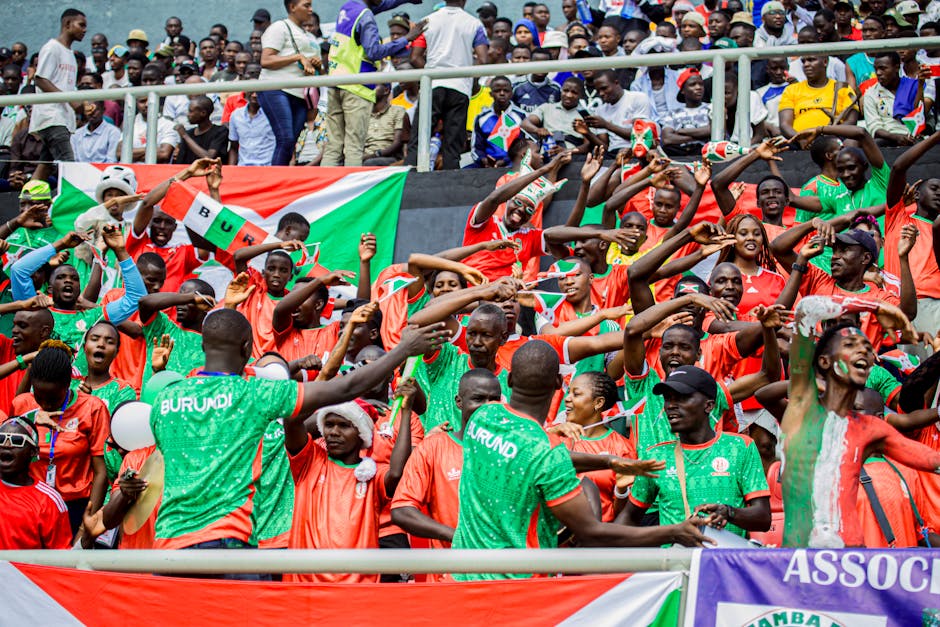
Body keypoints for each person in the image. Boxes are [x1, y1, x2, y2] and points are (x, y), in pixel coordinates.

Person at [149, 308, 446, 561]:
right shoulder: (254, 394)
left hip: (168, 544)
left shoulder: (165, 400)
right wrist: (403, 350)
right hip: (229, 542)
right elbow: (344, 388)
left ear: (203, 347)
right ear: (246, 348)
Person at [450, 341, 712, 580]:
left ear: (508, 379)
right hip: (515, 587)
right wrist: (673, 532)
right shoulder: (547, 453)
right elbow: (591, 531)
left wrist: (608, 462)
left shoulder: (483, 416)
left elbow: (529, 455)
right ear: (558, 383)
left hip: (461, 575)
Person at [782, 296, 940, 548]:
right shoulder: (803, 404)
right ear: (824, 361)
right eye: (850, 344)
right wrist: (876, 307)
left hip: (852, 556)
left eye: (867, 346)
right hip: (803, 559)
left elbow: (932, 461)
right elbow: (806, 309)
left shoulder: (871, 428)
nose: (864, 350)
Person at [624, 365, 772, 538]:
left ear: (708, 405)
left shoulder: (739, 447)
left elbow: (763, 518)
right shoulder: (656, 457)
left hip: (724, 560)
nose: (671, 405)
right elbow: (629, 517)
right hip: (675, 561)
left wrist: (729, 513)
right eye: (668, 398)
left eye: (681, 398)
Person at [391, 368, 503, 559]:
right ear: (459, 402)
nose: (487, 406)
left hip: (503, 574)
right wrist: (457, 537)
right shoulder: (434, 447)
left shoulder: (513, 448)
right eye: (478, 399)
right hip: (451, 574)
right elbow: (402, 510)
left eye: (494, 399)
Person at [9, 342, 110, 536]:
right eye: (39, 396)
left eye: (53, 397)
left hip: (74, 506)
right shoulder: (23, 405)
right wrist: (31, 416)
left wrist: (85, 528)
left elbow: (101, 473)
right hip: (27, 504)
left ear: (67, 383)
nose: (45, 403)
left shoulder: (92, 408)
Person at [321, 1, 423, 166]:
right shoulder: (366, 16)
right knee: (354, 147)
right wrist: (407, 39)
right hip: (357, 87)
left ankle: (327, 190)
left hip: (336, 83)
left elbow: (379, 6)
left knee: (334, 147)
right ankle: (351, 190)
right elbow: (374, 52)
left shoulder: (348, 8)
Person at [406, 0, 489, 170]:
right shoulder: (474, 23)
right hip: (459, 87)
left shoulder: (428, 20)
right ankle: (451, 186)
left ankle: (407, 180)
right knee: (453, 146)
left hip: (432, 85)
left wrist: (432, 73)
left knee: (419, 139)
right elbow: (483, 59)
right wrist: (467, 78)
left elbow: (414, 57)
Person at [258, 0, 323, 166]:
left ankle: (278, 180)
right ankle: (274, 183)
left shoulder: (309, 36)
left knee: (291, 142)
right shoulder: (280, 27)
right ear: (292, 7)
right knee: (285, 139)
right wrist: (298, 57)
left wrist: (317, 64)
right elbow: (266, 60)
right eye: (306, 5)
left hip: (301, 94)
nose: (311, 9)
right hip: (276, 88)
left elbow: (319, 72)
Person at [29, 8, 86, 184]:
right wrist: (70, 101)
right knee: (68, 164)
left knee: (45, 166)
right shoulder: (52, 48)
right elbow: (40, 79)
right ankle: (73, 208)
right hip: (51, 116)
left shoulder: (70, 54)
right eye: (81, 25)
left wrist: (80, 105)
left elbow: (66, 85)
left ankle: (27, 201)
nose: (84, 30)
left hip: (62, 117)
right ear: (68, 24)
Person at [0, 417, 71, 549]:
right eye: (1, 439)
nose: (6, 444)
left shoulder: (49, 501)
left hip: (21, 570)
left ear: (33, 451)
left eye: (17, 441)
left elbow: (61, 559)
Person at [779, 55, 858, 137]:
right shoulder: (791, 90)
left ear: (825, 62)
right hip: (799, 142)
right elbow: (785, 125)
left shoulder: (844, 88)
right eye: (803, 61)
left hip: (835, 139)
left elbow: (851, 121)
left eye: (811, 60)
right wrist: (800, 139)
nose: (806, 64)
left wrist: (827, 137)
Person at [863, 51, 930, 146]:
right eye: (876, 69)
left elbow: (919, 115)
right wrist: (895, 137)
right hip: (888, 138)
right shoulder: (871, 93)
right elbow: (874, 127)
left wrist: (920, 86)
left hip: (914, 137)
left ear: (897, 67)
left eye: (883, 69)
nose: (878, 73)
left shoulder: (913, 85)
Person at [584, 70, 654, 152]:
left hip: (636, 150)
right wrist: (587, 132)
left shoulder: (638, 98)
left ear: (616, 83)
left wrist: (606, 125)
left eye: (604, 88)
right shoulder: (600, 110)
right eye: (598, 91)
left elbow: (640, 135)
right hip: (612, 153)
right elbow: (604, 147)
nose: (601, 93)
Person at [470, 76, 528, 167]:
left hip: (514, 164)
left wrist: (506, 161)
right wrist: (483, 160)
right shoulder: (482, 117)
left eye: (506, 90)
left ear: (512, 93)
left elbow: (525, 146)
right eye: (497, 90)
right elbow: (476, 148)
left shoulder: (521, 116)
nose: (502, 93)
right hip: (486, 166)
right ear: (490, 93)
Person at [362, 84, 408, 165]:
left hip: (389, 157)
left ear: (386, 90)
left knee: (369, 163)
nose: (370, 89)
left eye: (375, 86)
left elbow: (398, 142)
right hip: (365, 156)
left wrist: (375, 155)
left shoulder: (397, 111)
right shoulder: (363, 113)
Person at [174, 96, 229, 164]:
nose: (188, 115)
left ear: (203, 113)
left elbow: (209, 157)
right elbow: (180, 162)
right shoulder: (189, 133)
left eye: (191, 111)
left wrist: (185, 136)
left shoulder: (220, 131)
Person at [227, 91, 275, 165]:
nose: (254, 95)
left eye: (258, 92)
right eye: (251, 91)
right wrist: (230, 172)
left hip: (268, 168)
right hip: (243, 168)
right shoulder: (236, 115)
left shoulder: (273, 114)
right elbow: (233, 147)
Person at [511, 48, 561, 114]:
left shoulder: (556, 88)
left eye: (544, 63)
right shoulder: (516, 85)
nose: (540, 67)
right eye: (537, 63)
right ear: (530, 63)